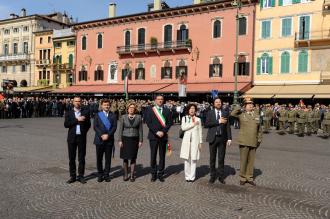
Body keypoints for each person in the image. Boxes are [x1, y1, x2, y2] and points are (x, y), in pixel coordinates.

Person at [231, 97, 263, 186]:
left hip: (253, 141)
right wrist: (239, 107)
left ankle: (249, 177)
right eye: (248, 104)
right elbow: (232, 114)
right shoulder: (241, 114)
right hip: (244, 141)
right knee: (243, 160)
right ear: (244, 106)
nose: (251, 106)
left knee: (251, 161)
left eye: (251, 104)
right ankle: (242, 177)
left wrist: (259, 139)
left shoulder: (256, 115)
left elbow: (259, 129)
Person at [144, 95, 172, 182]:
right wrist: (156, 131)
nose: (160, 101)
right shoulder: (150, 110)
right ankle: (153, 173)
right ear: (155, 100)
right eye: (158, 99)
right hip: (153, 136)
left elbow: (169, 123)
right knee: (153, 155)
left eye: (161, 99)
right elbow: (148, 122)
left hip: (163, 136)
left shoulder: (167, 110)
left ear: (163, 100)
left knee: (162, 156)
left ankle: (161, 173)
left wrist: (163, 131)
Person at [64, 96, 91, 184]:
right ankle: (72, 176)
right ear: (73, 102)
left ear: (81, 102)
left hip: (81, 137)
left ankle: (81, 176)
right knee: (72, 158)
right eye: (76, 101)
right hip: (71, 138)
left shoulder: (85, 112)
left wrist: (83, 132)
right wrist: (77, 119)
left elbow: (88, 125)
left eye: (79, 101)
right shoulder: (68, 112)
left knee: (81, 158)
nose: (77, 102)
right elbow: (66, 124)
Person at [205, 97, 232, 184]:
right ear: (214, 103)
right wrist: (218, 121)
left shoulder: (225, 112)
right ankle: (212, 176)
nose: (218, 103)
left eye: (219, 102)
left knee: (221, 158)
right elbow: (206, 124)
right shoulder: (210, 112)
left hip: (222, 138)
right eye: (216, 102)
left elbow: (228, 126)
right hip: (213, 137)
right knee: (212, 158)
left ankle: (221, 176)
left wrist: (229, 138)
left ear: (221, 103)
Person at [93, 99, 117, 182]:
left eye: (108, 105)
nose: (106, 106)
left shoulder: (113, 115)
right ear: (102, 106)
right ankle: (100, 174)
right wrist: (101, 135)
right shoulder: (97, 115)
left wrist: (108, 135)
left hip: (109, 140)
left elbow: (114, 127)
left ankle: (106, 175)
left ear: (109, 106)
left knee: (108, 159)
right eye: (105, 105)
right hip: (99, 139)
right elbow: (95, 126)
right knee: (99, 159)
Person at [118, 103, 143, 182]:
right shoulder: (123, 117)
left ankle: (132, 175)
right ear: (127, 109)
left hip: (134, 139)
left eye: (133, 108)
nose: (131, 109)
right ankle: (125, 174)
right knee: (125, 157)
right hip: (125, 139)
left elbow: (140, 130)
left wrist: (140, 140)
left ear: (135, 109)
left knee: (133, 157)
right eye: (130, 108)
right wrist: (120, 140)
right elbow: (120, 129)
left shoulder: (139, 117)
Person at [180, 104, 203, 182]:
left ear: (195, 110)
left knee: (194, 159)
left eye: (193, 108)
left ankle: (192, 177)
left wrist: (200, 142)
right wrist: (193, 124)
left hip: (195, 141)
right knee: (186, 159)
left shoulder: (198, 119)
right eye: (190, 108)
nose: (192, 110)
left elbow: (200, 131)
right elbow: (183, 128)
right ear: (188, 110)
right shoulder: (184, 118)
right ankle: (187, 176)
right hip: (186, 141)